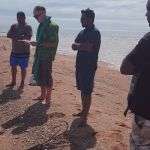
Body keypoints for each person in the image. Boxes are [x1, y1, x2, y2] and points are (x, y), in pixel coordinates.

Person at [120, 0, 150, 149]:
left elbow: (125, 67)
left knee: (140, 145)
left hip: (146, 113)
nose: (146, 14)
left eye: (148, 10)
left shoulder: (147, 40)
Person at [72, 8, 101, 125]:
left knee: (87, 91)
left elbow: (89, 48)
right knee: (82, 90)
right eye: (81, 18)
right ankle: (83, 111)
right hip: (80, 65)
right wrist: (81, 46)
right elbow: (74, 45)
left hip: (89, 66)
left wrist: (79, 46)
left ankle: (85, 117)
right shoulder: (82, 32)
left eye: (83, 18)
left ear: (90, 19)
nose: (81, 20)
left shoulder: (95, 32)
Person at [29, 6, 59, 106]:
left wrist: (38, 44)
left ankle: (48, 98)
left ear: (43, 13)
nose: (36, 18)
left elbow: (53, 44)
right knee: (40, 76)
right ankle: (42, 95)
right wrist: (36, 43)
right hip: (39, 56)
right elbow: (41, 41)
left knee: (47, 77)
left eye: (37, 16)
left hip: (47, 57)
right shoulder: (41, 25)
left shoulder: (52, 26)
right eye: (34, 16)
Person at [7, 11, 32, 91]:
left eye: (21, 17)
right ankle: (13, 81)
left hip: (24, 52)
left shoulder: (28, 27)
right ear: (17, 18)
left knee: (23, 68)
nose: (19, 19)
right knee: (13, 67)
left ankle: (22, 83)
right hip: (14, 51)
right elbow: (8, 35)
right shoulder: (14, 26)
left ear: (24, 17)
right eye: (18, 17)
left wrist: (16, 36)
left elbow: (28, 38)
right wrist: (20, 36)